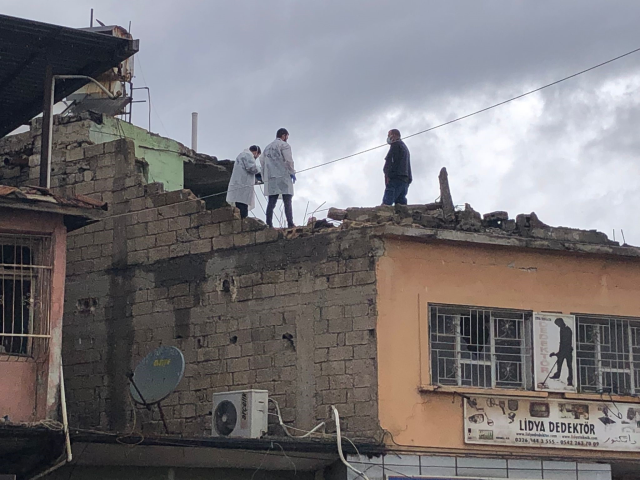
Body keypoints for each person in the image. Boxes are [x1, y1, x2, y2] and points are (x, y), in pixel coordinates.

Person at [261, 128, 296, 228]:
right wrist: (292, 172)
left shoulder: (267, 148)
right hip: (283, 175)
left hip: (271, 177)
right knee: (287, 200)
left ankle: (269, 224)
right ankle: (290, 223)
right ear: (283, 135)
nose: (287, 139)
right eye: (287, 137)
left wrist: (265, 176)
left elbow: (262, 162)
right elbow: (288, 160)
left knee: (271, 202)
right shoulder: (284, 145)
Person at [226, 145, 261, 219]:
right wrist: (261, 170)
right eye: (257, 156)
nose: (256, 158)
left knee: (240, 205)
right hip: (243, 186)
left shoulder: (241, 155)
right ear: (255, 152)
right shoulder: (248, 155)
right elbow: (252, 168)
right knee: (243, 206)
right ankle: (243, 222)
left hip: (239, 185)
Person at [382, 129, 412, 206]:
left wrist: (388, 175)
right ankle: (404, 217)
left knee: (386, 205)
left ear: (394, 135)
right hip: (405, 179)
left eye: (389, 135)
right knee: (401, 205)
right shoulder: (404, 148)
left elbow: (391, 163)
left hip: (396, 178)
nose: (388, 138)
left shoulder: (396, 145)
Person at [550, 317, 574, 386]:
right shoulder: (562, 329)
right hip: (563, 349)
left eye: (558, 324)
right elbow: (561, 342)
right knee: (559, 362)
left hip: (567, 350)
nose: (558, 325)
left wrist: (559, 353)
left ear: (561, 323)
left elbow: (565, 342)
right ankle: (557, 374)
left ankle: (570, 380)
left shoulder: (567, 330)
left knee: (569, 365)